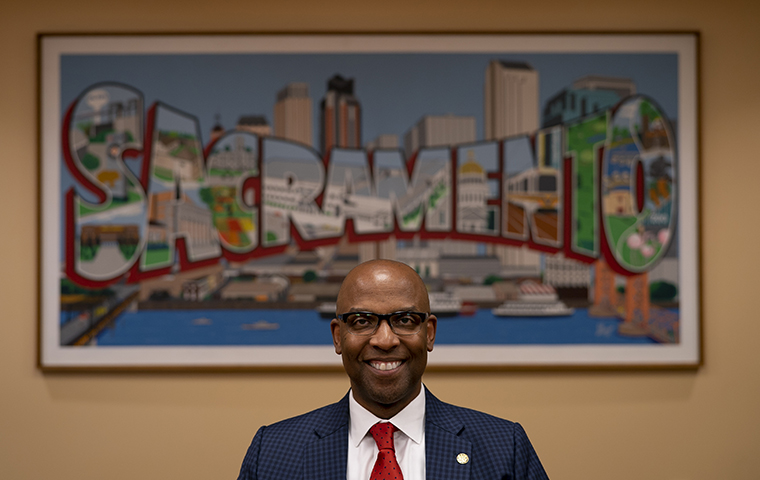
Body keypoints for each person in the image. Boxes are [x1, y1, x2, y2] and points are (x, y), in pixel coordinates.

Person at [237, 259, 549, 480]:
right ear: (337, 336)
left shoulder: (504, 448)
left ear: (429, 334)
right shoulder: (273, 452)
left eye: (404, 320)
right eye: (362, 321)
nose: (385, 340)